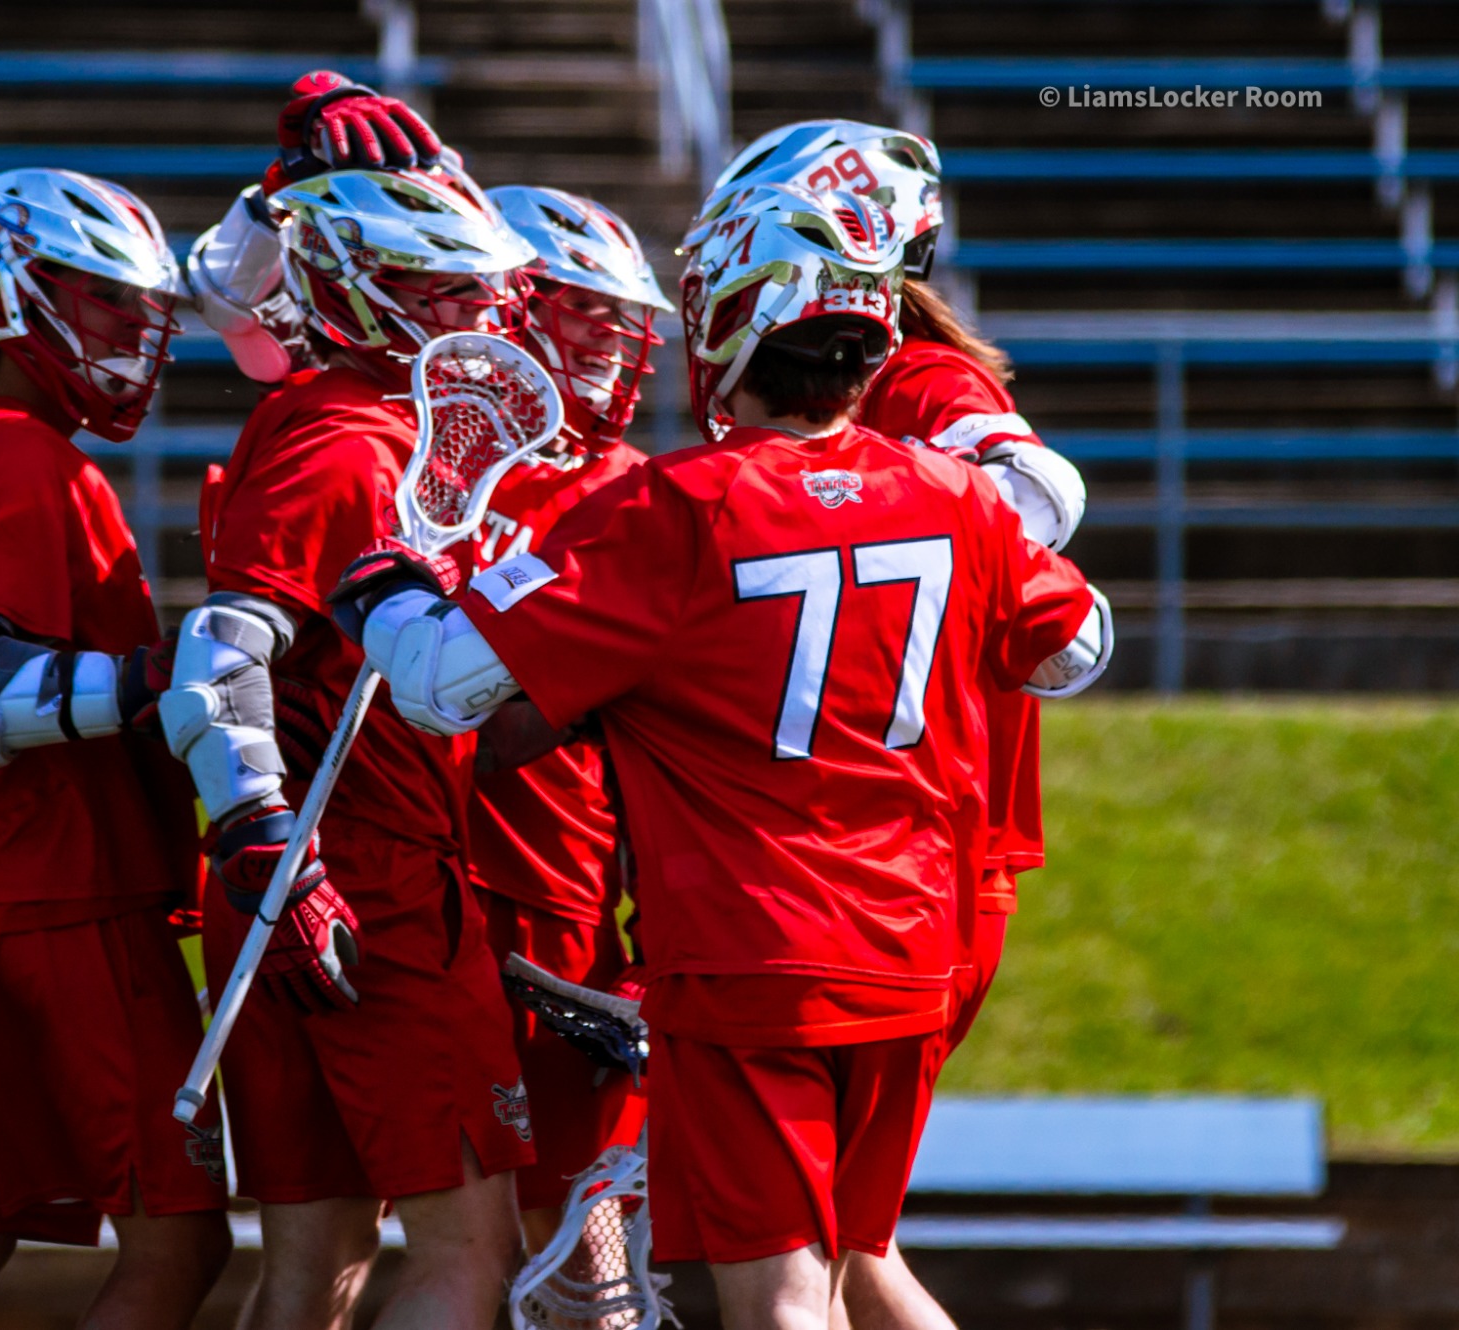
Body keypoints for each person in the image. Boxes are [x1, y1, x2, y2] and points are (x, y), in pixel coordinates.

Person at [332, 181, 1113, 1330]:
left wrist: (386, 585)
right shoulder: (956, 495)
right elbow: (1074, 646)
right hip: (913, 949)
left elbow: (442, 687)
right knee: (853, 1268)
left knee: (783, 1294)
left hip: (754, 955)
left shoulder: (672, 507)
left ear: (729, 324)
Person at [699, 119, 1092, 1328]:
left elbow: (1043, 497)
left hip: (899, 862)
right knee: (848, 1255)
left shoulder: (912, 382)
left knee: (812, 1263)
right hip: (887, 869)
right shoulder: (868, 394)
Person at [166, 158, 540, 1330]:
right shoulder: (353, 440)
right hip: (356, 872)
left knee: (312, 1262)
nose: (483, 314)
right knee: (469, 1249)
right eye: (442, 290)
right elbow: (221, 651)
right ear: (363, 291)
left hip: (294, 873)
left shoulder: (349, 422)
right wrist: (264, 833)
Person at [0, 167, 226, 1330]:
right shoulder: (17, 456)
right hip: (59, 884)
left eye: (139, 306)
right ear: (7, 296)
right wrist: (158, 676)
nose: (133, 331)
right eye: (98, 300)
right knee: (179, 1237)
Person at [469, 184, 668, 1251]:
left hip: (568, 916)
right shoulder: (427, 464)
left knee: (572, 1248)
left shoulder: (641, 494)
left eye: (615, 312)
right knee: (388, 1243)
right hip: (415, 902)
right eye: (575, 304)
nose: (605, 335)